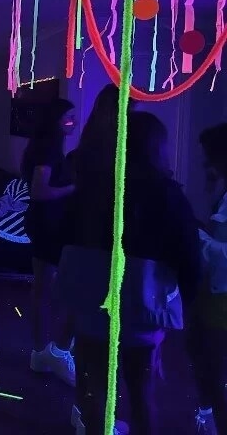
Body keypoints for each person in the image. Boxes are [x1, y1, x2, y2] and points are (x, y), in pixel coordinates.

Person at [59, 111, 200, 434]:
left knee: (94, 391)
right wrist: (181, 307)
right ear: (158, 148)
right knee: (142, 393)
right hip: (142, 307)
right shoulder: (168, 195)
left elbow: (62, 235)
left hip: (92, 303)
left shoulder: (93, 188)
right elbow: (189, 260)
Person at [20, 98, 76, 385]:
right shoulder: (48, 150)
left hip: (45, 222)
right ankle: (50, 350)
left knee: (43, 286)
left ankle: (42, 350)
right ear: (55, 120)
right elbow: (39, 191)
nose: (73, 122)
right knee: (52, 287)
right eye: (68, 117)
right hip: (48, 224)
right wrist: (74, 188)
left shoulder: (44, 147)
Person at [188, 123, 227, 435]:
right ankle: (207, 417)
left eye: (208, 159)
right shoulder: (221, 191)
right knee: (201, 352)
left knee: (212, 364)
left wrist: (194, 233)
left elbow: (222, 253)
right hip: (213, 291)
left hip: (220, 294)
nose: (204, 166)